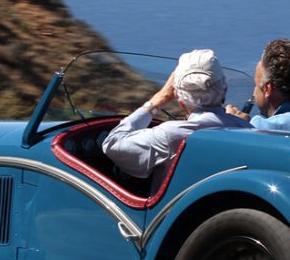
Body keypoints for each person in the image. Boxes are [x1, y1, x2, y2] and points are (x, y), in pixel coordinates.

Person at [102, 49, 251, 181]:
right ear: (224, 89)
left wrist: (157, 100)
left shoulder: (169, 134)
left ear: (178, 98)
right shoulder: (247, 130)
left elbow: (112, 143)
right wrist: (235, 121)